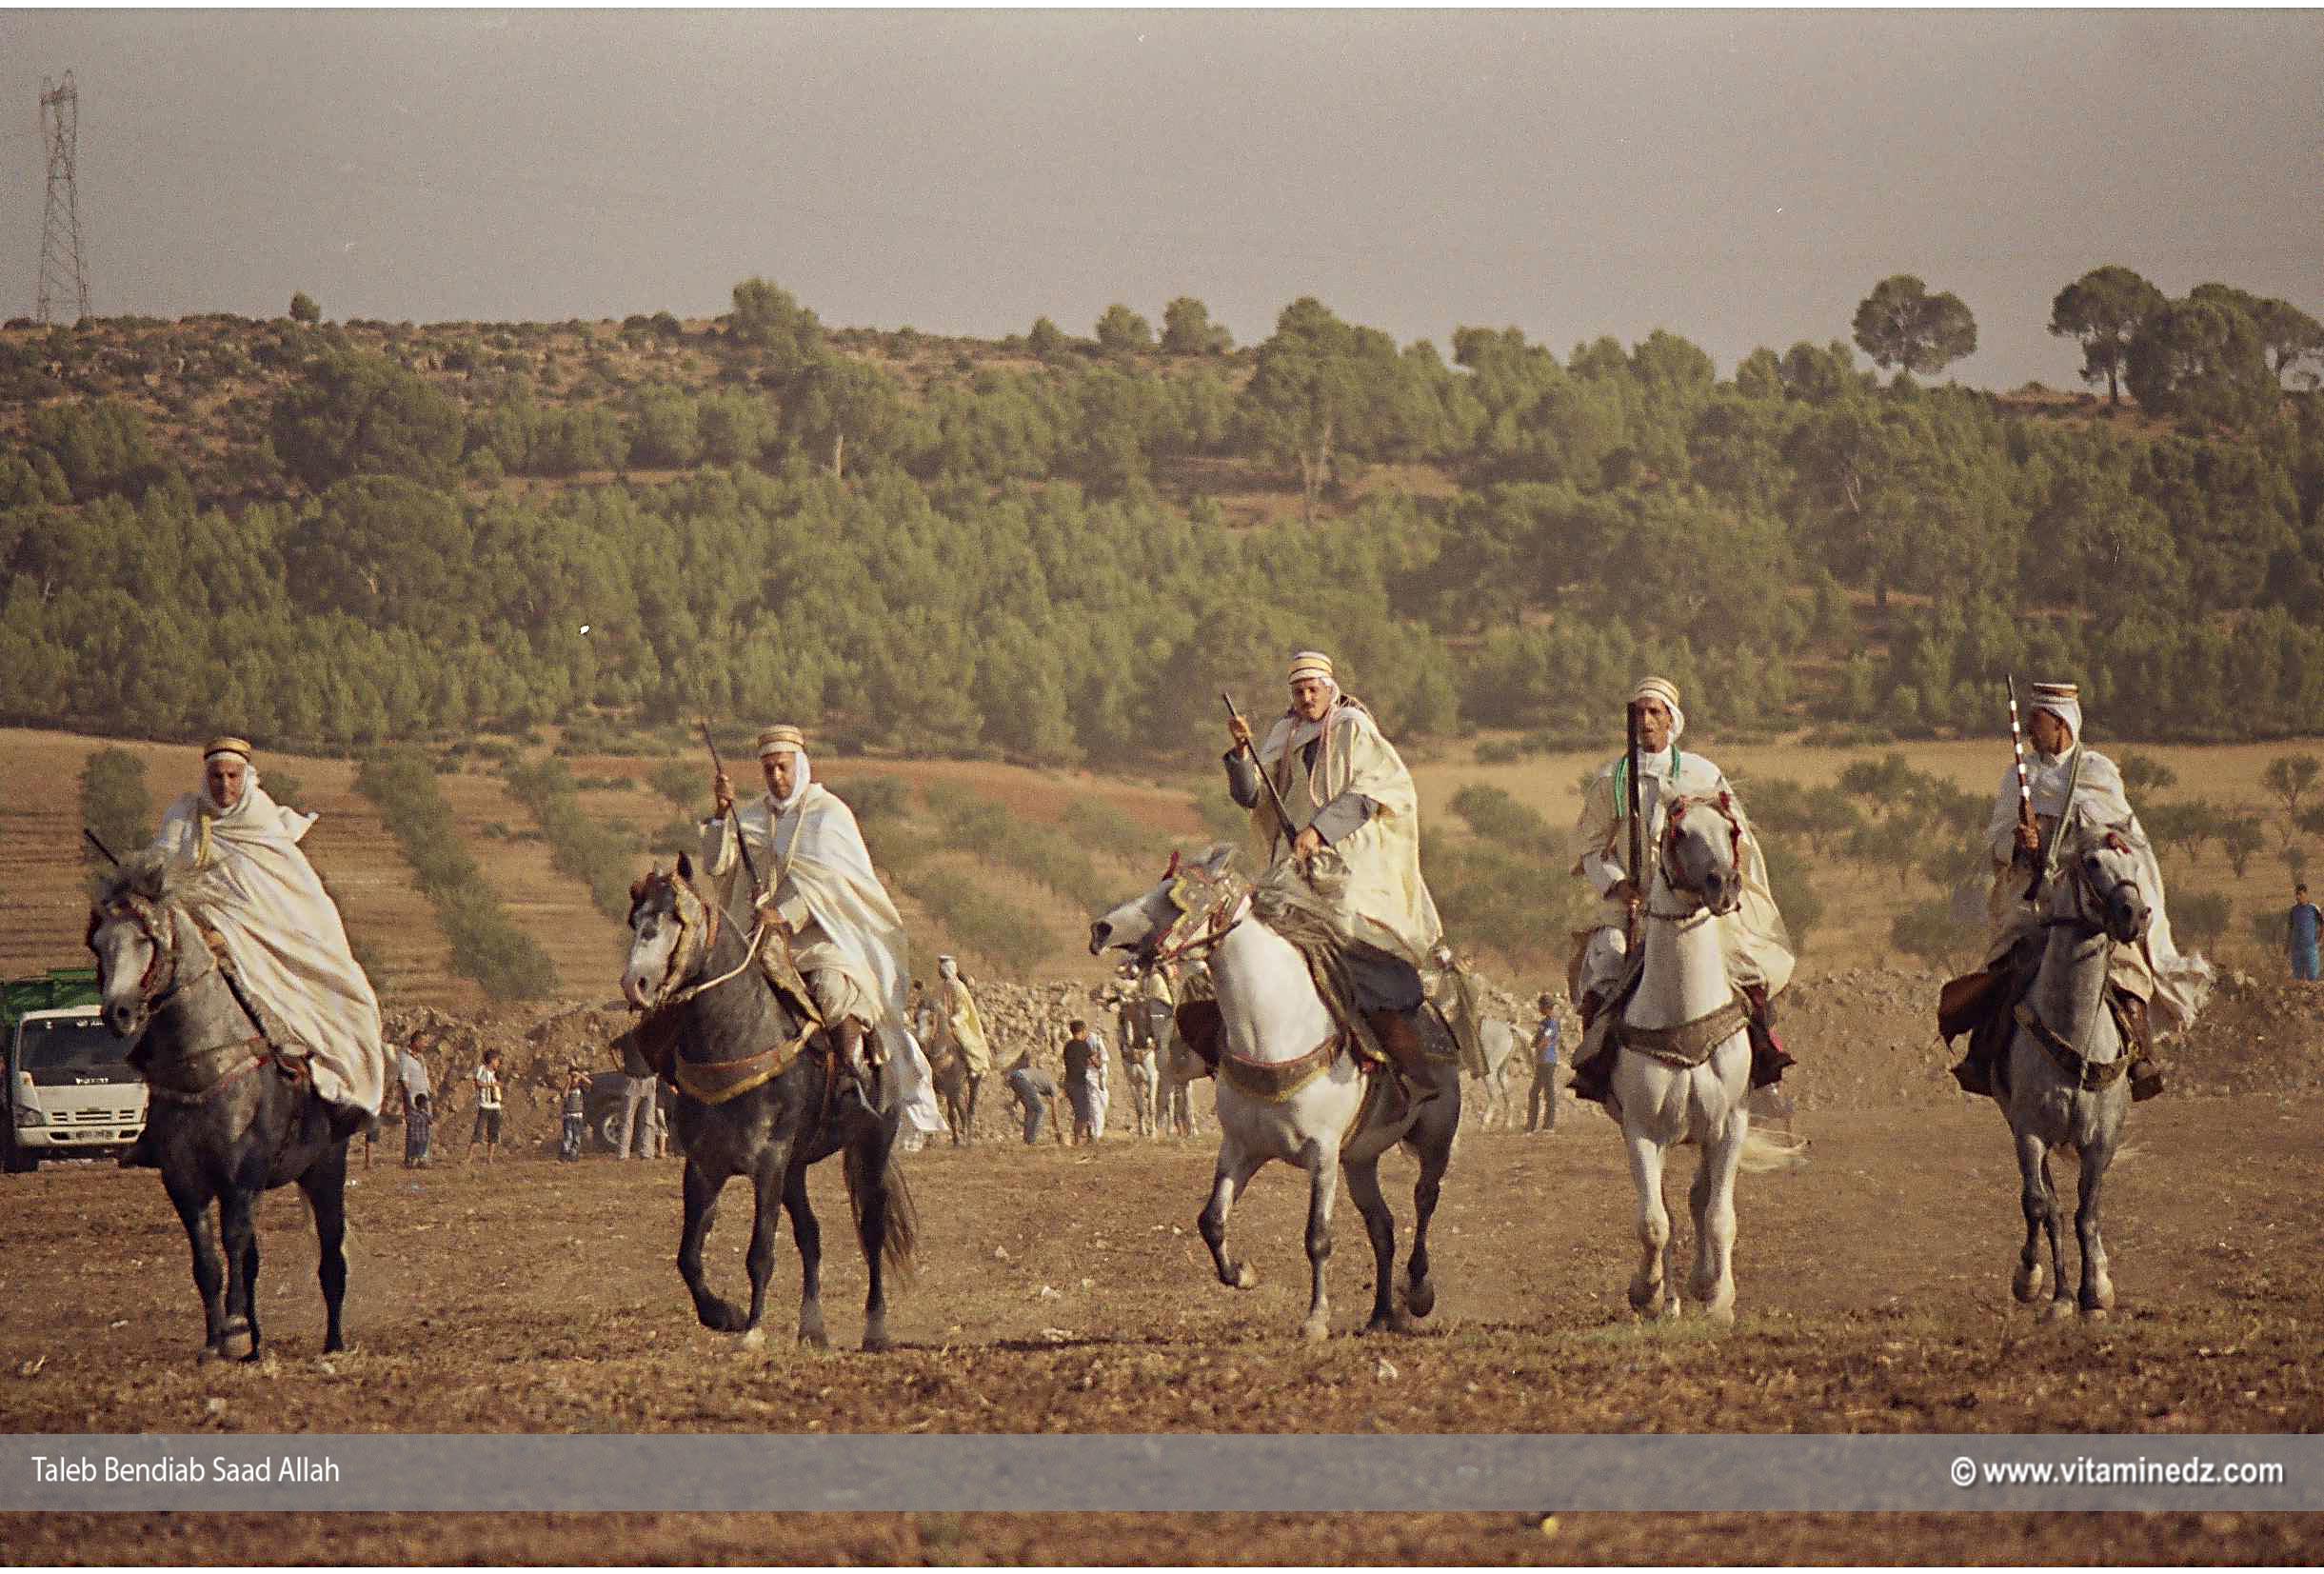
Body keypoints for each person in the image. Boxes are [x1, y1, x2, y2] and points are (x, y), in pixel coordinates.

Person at [120, 736, 386, 1167]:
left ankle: (336, 1101)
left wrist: (238, 931)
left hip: (266, 944)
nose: (224, 784)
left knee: (350, 999)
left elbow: (289, 900)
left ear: (246, 777)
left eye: (231, 776)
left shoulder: (263, 824)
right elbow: (160, 868)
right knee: (161, 1011)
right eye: (216, 776)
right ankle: (157, 1128)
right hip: (197, 942)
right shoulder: (184, 817)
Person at [1946, 682, 2210, 1102]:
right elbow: (1994, 841)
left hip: (2086, 895)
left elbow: (2120, 835)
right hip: (2034, 898)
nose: (2032, 734)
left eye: (2039, 724)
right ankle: (1983, 1056)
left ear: (2062, 725)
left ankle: (2141, 1056)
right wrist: (2019, 841)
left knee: (2126, 970)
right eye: (2029, 725)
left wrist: (2108, 843)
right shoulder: (2019, 776)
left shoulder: (2096, 773)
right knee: (2006, 969)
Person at [1222, 649, 1449, 1103]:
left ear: (1330, 689)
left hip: (1353, 861)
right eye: (1298, 691)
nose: (1306, 698)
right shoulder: (1284, 733)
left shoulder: (1352, 727)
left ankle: (1403, 1055)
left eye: (1313, 690)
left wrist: (1318, 832)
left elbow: (1372, 791)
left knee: (1350, 938)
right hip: (1296, 864)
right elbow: (1252, 798)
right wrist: (1242, 755)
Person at [1564, 677, 1796, 1106]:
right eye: (1638, 713)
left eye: (1655, 712)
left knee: (1746, 966)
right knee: (1605, 965)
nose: (1646, 721)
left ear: (1672, 719)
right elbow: (1591, 848)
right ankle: (1596, 1066)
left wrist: (1720, 876)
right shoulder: (1612, 780)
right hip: (1633, 902)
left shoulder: (1702, 774)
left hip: (1695, 898)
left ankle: (1766, 1060)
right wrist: (1617, 885)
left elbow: (1733, 833)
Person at [704, 726, 913, 1115]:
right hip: (758, 939)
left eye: (782, 767)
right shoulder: (748, 816)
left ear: (799, 764)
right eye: (769, 770)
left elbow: (834, 884)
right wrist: (720, 815)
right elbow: (717, 865)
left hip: (821, 935)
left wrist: (785, 915)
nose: (776, 777)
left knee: (832, 991)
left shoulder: (828, 815)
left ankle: (853, 1080)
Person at [1063, 1018, 1108, 1146]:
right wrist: (1097, 1054)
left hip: (1068, 1083)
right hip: (1078, 1083)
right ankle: (1078, 1142)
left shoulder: (1068, 1046)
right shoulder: (1084, 1045)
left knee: (1079, 1113)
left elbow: (1078, 1060)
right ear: (1082, 1031)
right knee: (1082, 1116)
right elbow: (1098, 1064)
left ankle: (1082, 1139)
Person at [1005, 1049, 1064, 1146]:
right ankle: (1031, 1140)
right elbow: (1054, 1110)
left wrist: (1015, 1103)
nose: (1055, 1099)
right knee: (1040, 1109)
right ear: (1063, 1091)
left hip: (1014, 1077)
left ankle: (1026, 1140)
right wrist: (1057, 1127)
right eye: (1059, 1097)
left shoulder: (1042, 1081)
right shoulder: (1054, 1087)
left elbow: (1022, 1087)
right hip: (1020, 1078)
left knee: (1030, 1110)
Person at [1526, 991, 1562, 1134]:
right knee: (1539, 1092)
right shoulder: (1545, 1022)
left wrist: (1538, 1047)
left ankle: (1545, 1125)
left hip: (1547, 1061)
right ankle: (1535, 1125)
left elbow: (1545, 1041)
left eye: (1541, 1006)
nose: (1539, 1009)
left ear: (1546, 1007)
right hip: (1544, 1061)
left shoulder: (1552, 1023)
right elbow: (1536, 1040)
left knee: (1544, 1092)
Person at [398, 1033, 433, 1169]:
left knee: (426, 1128)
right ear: (416, 1042)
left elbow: (425, 1077)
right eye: (424, 1041)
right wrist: (408, 1100)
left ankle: (423, 1158)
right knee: (413, 1129)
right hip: (412, 1099)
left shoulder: (421, 1058)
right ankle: (411, 1158)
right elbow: (404, 1079)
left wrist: (429, 1093)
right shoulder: (404, 1058)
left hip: (424, 1098)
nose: (426, 1044)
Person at [466, 1047, 504, 1165]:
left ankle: (490, 1158)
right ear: (492, 1060)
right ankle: (469, 1158)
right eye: (497, 1060)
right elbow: (478, 1083)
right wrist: (491, 1085)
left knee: (493, 1133)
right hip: (484, 1105)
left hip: (495, 1106)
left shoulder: (497, 1073)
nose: (498, 1063)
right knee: (478, 1132)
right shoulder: (482, 1069)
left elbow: (500, 1084)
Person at [615, 1069, 657, 1160]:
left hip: (649, 1078)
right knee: (627, 1119)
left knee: (648, 1119)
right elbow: (614, 1054)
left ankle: (647, 1152)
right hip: (632, 1078)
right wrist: (622, 1069)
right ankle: (623, 1153)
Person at [2290, 885, 2320, 983]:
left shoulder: (2313, 908)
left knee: (2312, 976)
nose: (2297, 897)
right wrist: (2287, 946)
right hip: (2297, 948)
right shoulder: (2293, 910)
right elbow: (2290, 929)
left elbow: (2322, 923)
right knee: (2297, 977)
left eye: (2300, 894)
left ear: (2306, 894)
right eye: (2296, 894)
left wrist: (2320, 940)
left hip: (2310, 947)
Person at [559, 1069, 587, 1162]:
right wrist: (568, 1083)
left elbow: (591, 1084)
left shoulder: (581, 1089)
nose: (574, 1080)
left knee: (577, 1138)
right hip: (568, 1117)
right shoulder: (567, 1089)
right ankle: (564, 1156)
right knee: (568, 1137)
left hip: (578, 1117)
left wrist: (581, 1076)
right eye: (572, 1077)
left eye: (575, 1078)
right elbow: (564, 1096)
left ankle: (574, 1156)